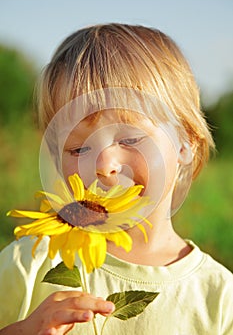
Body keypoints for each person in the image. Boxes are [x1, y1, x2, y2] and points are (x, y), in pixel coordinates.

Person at [0, 23, 232, 335]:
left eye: (131, 140)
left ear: (186, 142)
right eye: (79, 147)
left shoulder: (219, 299)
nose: (104, 165)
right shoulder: (28, 263)